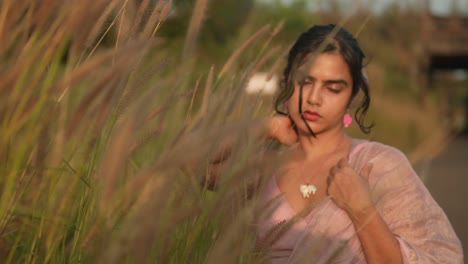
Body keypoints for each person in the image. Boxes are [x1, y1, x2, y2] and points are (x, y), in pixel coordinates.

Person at [251, 24, 463, 263]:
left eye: (332, 89)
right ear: (287, 81)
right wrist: (264, 127)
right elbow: (199, 159)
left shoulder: (379, 165)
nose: (313, 98)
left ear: (351, 96)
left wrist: (361, 210)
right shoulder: (264, 166)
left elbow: (438, 257)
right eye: (304, 82)